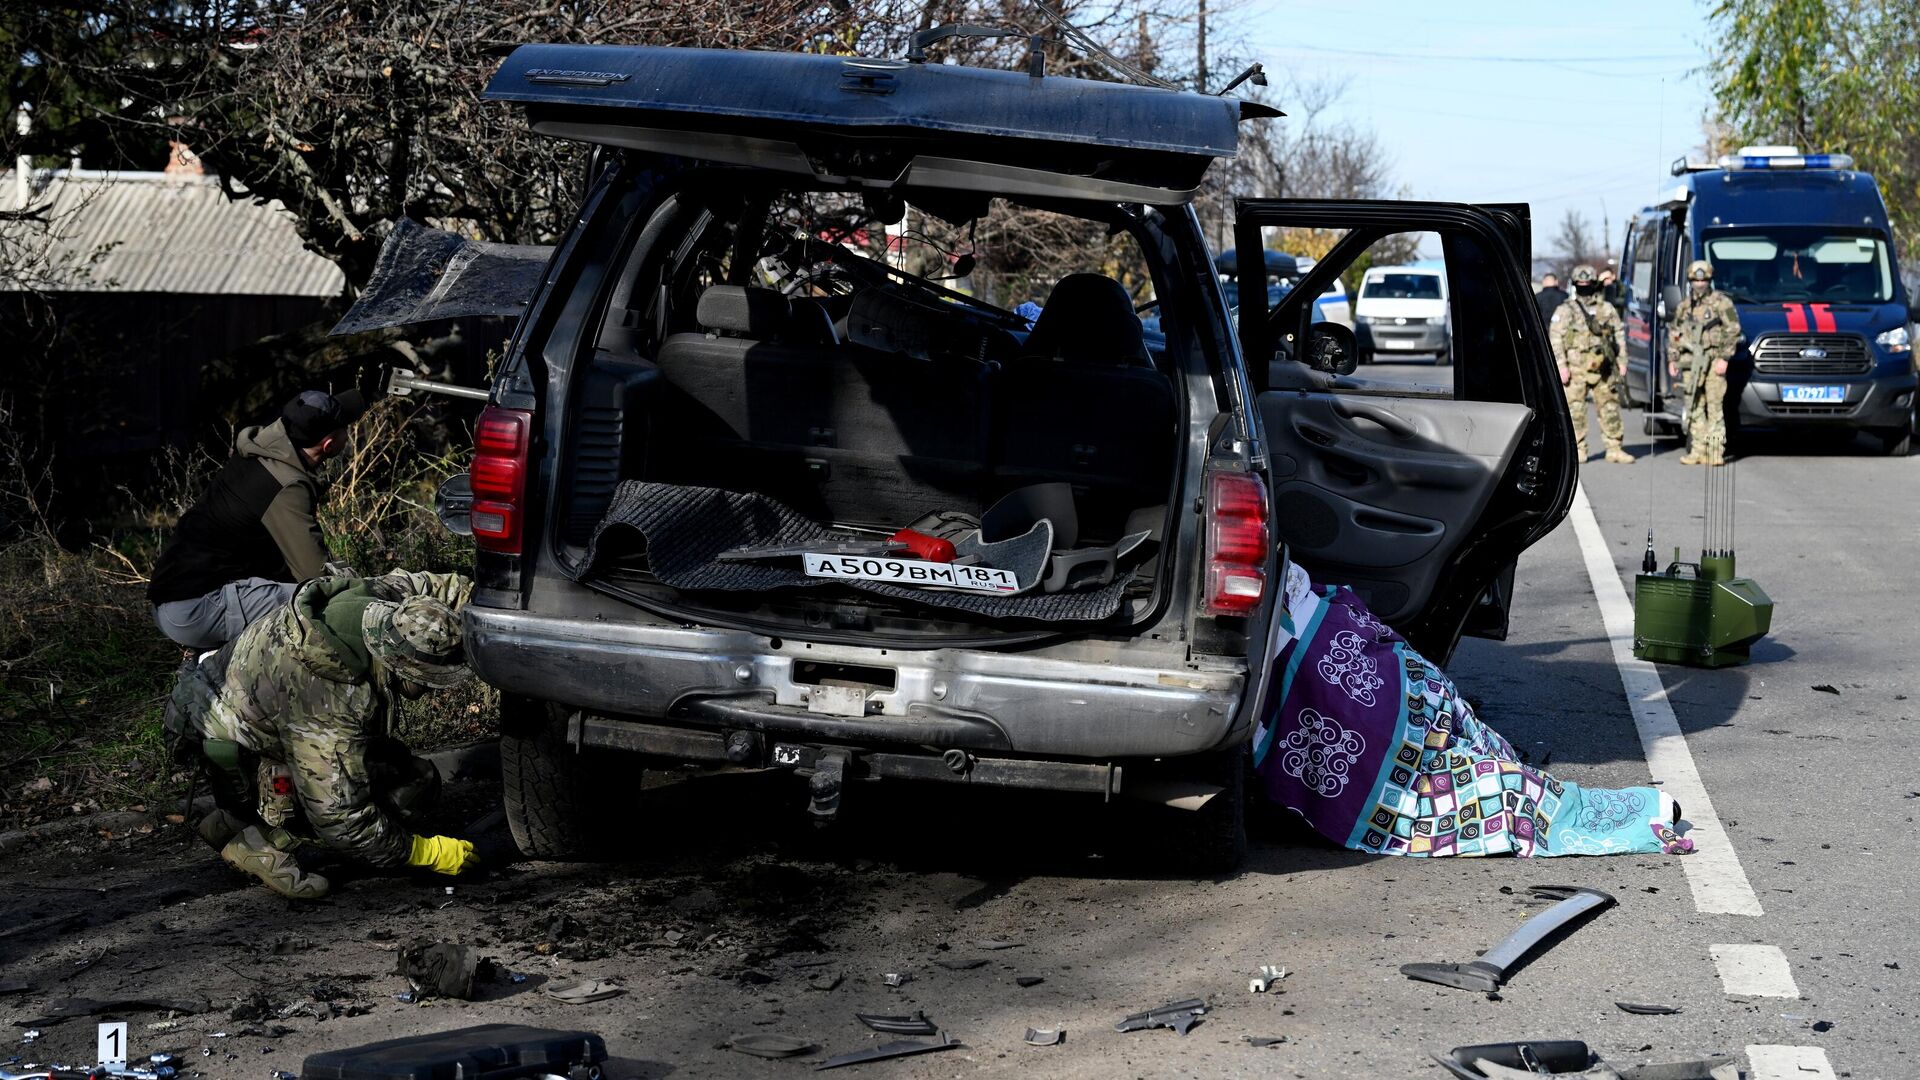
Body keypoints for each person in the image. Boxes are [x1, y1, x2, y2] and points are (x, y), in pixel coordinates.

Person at [1252, 559, 1692, 858]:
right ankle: (1563, 802)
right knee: (1452, 763)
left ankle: (1552, 799)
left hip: (1339, 667)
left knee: (1451, 760)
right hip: (1347, 666)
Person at [164, 569, 482, 898]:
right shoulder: (327, 704)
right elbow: (341, 818)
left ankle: (229, 821)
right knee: (330, 805)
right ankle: (258, 840)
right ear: (399, 665)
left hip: (241, 704)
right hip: (217, 735)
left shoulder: (384, 607)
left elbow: (436, 587)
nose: (429, 691)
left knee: (413, 778)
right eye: (426, 681)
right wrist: (424, 853)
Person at [148, 389, 367, 650]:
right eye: (346, 428)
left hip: (170, 599)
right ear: (329, 445)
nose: (350, 433)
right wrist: (366, 590)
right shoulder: (285, 484)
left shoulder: (261, 448)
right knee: (330, 602)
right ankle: (215, 664)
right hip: (194, 611)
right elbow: (315, 575)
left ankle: (224, 650)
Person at [1550, 265, 1633, 464]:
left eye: (1588, 284)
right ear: (1575, 285)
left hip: (1603, 370)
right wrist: (1561, 366)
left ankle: (1614, 448)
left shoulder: (1606, 309)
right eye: (1581, 284)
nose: (1584, 288)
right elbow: (1555, 339)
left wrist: (1622, 362)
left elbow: (1619, 335)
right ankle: (1577, 449)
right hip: (1575, 369)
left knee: (1609, 408)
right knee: (1574, 411)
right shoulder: (1565, 310)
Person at [1666, 260, 1742, 466]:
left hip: (1713, 361)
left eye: (1703, 280)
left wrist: (1724, 357)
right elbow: (1674, 333)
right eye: (1695, 280)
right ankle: (1697, 450)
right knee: (1694, 406)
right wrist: (1673, 359)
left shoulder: (1721, 303)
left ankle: (1715, 451)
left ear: (1709, 280)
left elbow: (1733, 329)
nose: (1699, 284)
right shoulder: (1684, 307)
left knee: (1715, 407)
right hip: (1690, 363)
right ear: (1690, 281)